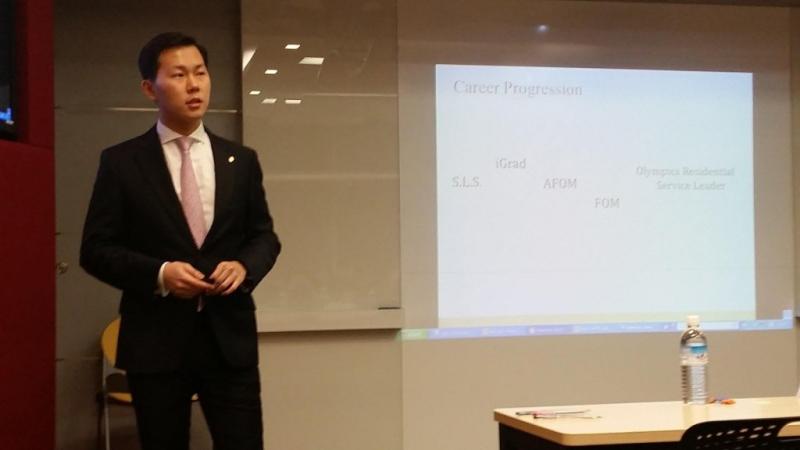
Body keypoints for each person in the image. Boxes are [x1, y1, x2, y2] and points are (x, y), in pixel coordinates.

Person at [80, 32, 281, 450]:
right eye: (178, 75)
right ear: (149, 88)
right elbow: (95, 249)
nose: (194, 85)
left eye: (200, 73)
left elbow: (263, 236)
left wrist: (244, 266)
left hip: (229, 341)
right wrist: (160, 274)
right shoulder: (121, 162)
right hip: (155, 342)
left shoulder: (241, 160)